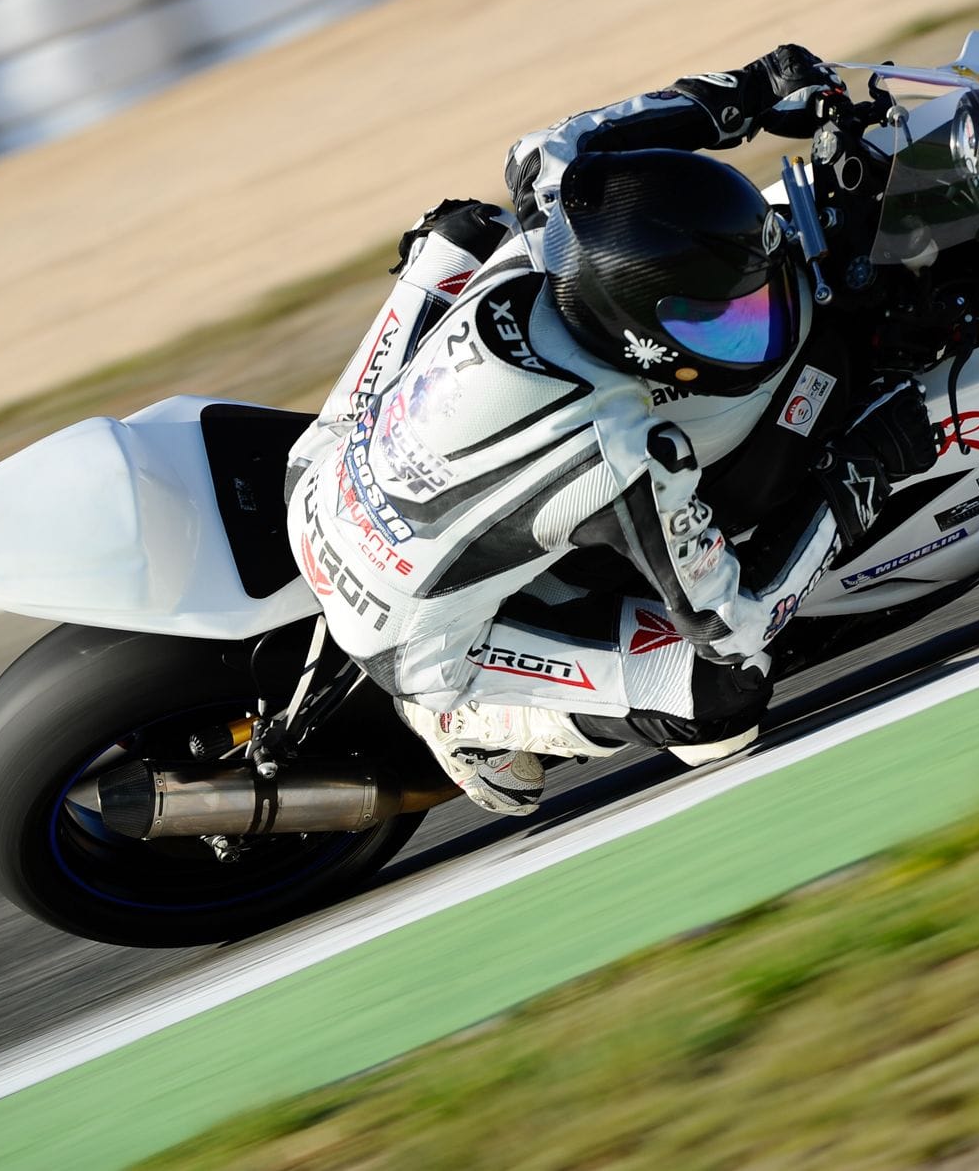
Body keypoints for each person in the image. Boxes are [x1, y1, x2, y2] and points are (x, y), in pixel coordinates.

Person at [284, 45, 937, 815]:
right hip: (401, 636)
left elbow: (555, 147)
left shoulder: (552, 233)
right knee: (722, 703)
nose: (758, 320)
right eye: (726, 322)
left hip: (319, 470)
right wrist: (851, 480)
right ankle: (459, 720)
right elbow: (735, 626)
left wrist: (750, 91)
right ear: (644, 343)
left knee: (466, 231)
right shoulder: (625, 454)